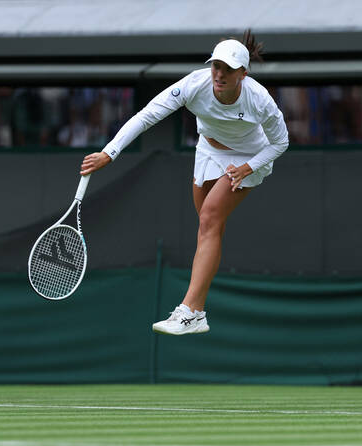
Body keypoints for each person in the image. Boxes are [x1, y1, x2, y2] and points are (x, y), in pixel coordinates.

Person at [80, 31, 289, 335]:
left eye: (228, 69)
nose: (219, 74)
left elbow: (281, 142)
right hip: (208, 149)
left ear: (242, 73)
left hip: (249, 155)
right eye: (216, 66)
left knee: (209, 219)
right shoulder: (194, 84)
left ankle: (190, 310)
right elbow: (147, 115)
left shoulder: (260, 100)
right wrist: (109, 153)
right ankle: (197, 313)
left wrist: (248, 167)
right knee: (207, 225)